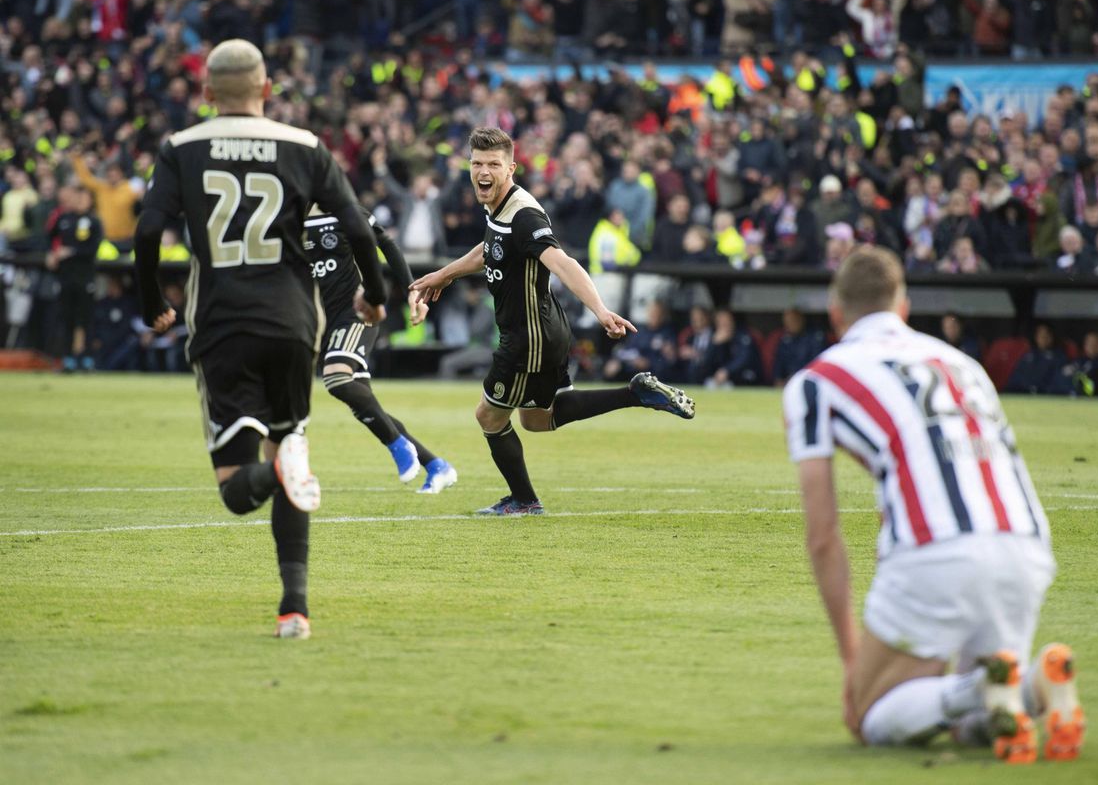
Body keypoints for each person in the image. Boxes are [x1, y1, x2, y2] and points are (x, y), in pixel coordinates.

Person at [782, 247, 1084, 762]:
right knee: (971, 730)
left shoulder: (817, 381)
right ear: (904, 307)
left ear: (836, 314)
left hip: (936, 550)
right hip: (1026, 544)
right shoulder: (961, 362)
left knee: (873, 716)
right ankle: (1034, 684)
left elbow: (823, 536)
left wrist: (854, 663)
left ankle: (981, 687)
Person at [133, 39, 389, 641]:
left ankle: (280, 479)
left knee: (236, 489)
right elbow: (355, 227)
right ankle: (294, 610)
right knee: (289, 445)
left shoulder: (181, 148)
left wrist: (153, 303)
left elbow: (147, 231)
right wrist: (374, 297)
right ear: (267, 89)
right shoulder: (305, 147)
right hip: (293, 324)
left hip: (222, 324)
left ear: (206, 93)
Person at [410, 127, 695, 516]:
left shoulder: (524, 214)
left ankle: (524, 501)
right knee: (536, 420)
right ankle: (636, 394)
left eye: (493, 164)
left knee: (488, 415)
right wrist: (446, 273)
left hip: (530, 337)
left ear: (511, 167)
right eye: (477, 163)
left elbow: (562, 262)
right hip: (542, 329)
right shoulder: (499, 206)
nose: (483, 171)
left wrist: (600, 311)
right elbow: (490, 247)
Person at [302, 205, 458, 494]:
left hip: (358, 313)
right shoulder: (285, 218)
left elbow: (385, 242)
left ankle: (398, 446)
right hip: (324, 322)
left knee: (336, 378)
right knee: (366, 407)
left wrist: (412, 289)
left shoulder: (341, 207)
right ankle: (437, 465)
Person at [47, 185, 102, 372]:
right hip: (65, 277)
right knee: (66, 317)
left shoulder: (94, 222)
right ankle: (67, 357)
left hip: (85, 277)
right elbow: (49, 237)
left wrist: (71, 251)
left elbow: (93, 250)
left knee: (84, 318)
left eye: (84, 198)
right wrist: (52, 254)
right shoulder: (64, 218)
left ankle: (85, 356)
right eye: (78, 197)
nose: (80, 201)